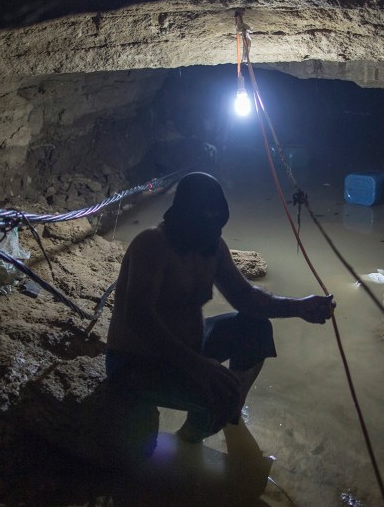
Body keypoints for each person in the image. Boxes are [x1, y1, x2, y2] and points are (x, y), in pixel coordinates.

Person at [105, 172, 334, 444]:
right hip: (138, 361)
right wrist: (198, 366)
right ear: (182, 218)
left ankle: (199, 428)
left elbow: (246, 297)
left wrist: (299, 307)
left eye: (219, 227)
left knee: (255, 330)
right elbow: (139, 317)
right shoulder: (151, 246)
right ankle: (187, 443)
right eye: (206, 227)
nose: (215, 235)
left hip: (192, 350)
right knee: (220, 396)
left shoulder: (212, 246)